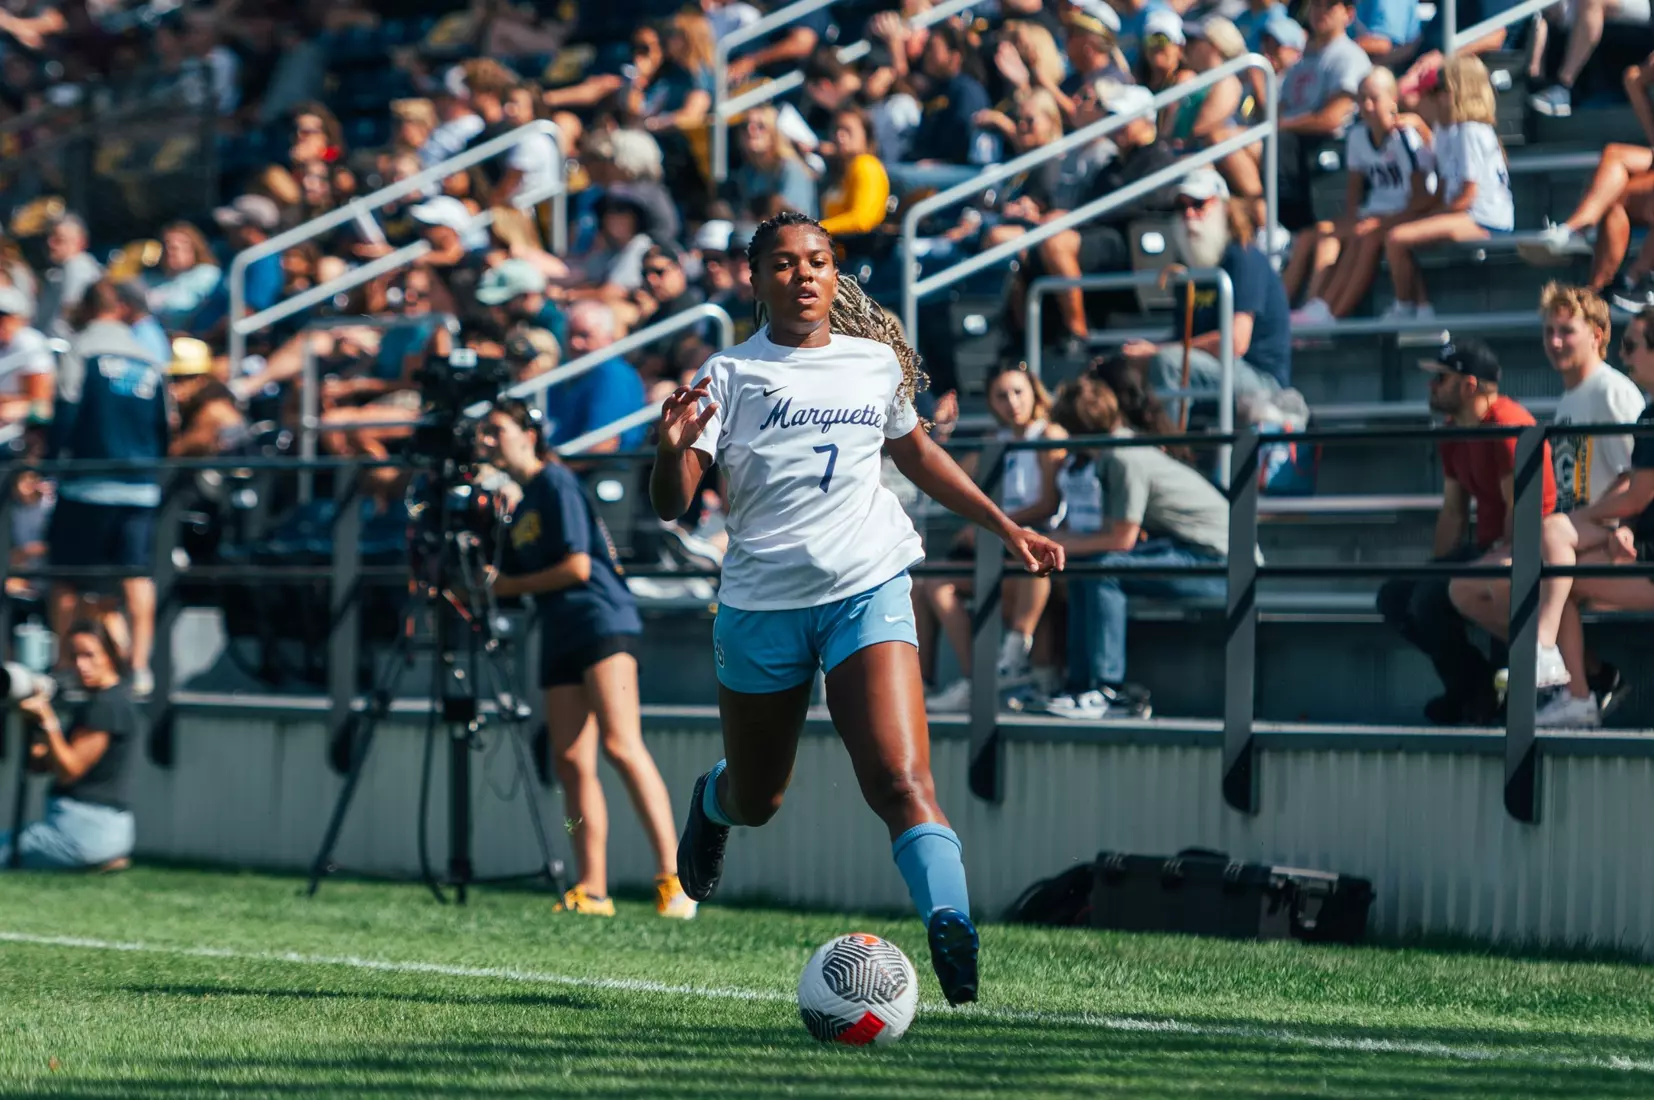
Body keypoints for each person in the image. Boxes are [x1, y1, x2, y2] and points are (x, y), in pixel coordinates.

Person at [650, 211, 1064, 1005]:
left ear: (835, 272)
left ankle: (951, 921)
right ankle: (712, 801)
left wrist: (1006, 525)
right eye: (783, 264)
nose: (803, 275)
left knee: (902, 779)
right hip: (762, 605)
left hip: (865, 588)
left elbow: (920, 455)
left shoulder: (874, 364)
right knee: (758, 800)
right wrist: (671, 453)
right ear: (756, 280)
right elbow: (673, 506)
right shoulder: (728, 374)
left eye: (818, 260)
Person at [480, 401, 695, 918]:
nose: (485, 441)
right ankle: (592, 888)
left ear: (530, 434)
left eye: (496, 431)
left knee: (622, 746)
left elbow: (578, 567)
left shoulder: (554, 483)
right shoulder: (522, 500)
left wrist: (507, 584)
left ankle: (674, 878)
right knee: (572, 762)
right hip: (557, 630)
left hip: (602, 622)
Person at [1451, 284, 1643, 706]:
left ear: (1596, 334)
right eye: (1548, 332)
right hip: (1573, 534)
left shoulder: (1612, 391)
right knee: (1465, 587)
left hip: (1603, 536)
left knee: (1523, 583)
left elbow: (1638, 479)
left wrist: (1609, 525)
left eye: (1566, 331)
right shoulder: (1572, 397)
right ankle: (1578, 678)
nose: (1555, 342)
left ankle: (1571, 682)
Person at [1379, 339, 1554, 726]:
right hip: (1485, 548)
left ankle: (1480, 692)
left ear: (1469, 385)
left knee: (1429, 598)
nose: (1431, 387)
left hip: (1527, 548)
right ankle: (1474, 685)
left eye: (1441, 378)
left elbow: (1521, 514)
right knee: (1397, 597)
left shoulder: (1507, 425)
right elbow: (1453, 512)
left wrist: (1485, 566)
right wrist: (1435, 569)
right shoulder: (1455, 429)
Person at [1043, 357, 1229, 719]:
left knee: (1101, 570)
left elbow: (1121, 539)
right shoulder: (1118, 451)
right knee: (1086, 566)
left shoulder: (1123, 458)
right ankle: (1080, 686)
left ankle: (1108, 690)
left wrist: (1054, 541)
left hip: (1220, 564)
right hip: (1187, 550)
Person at [1523, 306, 1654, 727]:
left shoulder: (1632, 404)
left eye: (1631, 346)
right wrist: (1628, 529)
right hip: (1641, 551)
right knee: (1555, 566)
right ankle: (1566, 682)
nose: (1625, 355)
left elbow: (1636, 493)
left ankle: (1563, 676)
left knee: (1556, 574)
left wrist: (1593, 518)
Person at [48, 280, 171, 700]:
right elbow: (164, 425)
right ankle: (139, 667)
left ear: (86, 308)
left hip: (88, 484)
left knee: (65, 580)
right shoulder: (150, 357)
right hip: (141, 486)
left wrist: (51, 464)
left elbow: (65, 413)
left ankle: (63, 665)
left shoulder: (81, 350)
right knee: (136, 576)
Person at [921, 361, 1066, 712]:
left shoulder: (1050, 436)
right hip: (999, 546)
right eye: (1001, 395)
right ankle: (975, 682)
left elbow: (1049, 503)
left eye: (1018, 392)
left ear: (1034, 394)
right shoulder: (992, 441)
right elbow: (948, 477)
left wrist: (997, 524)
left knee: (1031, 556)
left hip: (1039, 544)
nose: (1011, 402)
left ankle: (1011, 659)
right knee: (928, 582)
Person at [1124, 169, 1293, 399]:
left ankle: (1169, 434)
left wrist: (1156, 352)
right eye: (1181, 208)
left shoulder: (1244, 257)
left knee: (1168, 362)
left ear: (1224, 207)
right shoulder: (1189, 270)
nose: (1189, 215)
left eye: (1198, 204)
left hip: (1260, 380)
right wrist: (1138, 354)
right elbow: (1184, 340)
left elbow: (1235, 342)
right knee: (1122, 367)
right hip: (1210, 369)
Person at [1289, 67, 1434, 324]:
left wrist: (1379, 223)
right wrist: (1356, 218)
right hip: (1376, 211)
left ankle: (1332, 312)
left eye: (1374, 98)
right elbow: (1354, 191)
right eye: (1362, 98)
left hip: (1405, 212)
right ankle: (1314, 305)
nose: (1366, 105)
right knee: (1324, 231)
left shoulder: (1405, 137)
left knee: (1364, 236)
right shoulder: (1357, 136)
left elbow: (1422, 197)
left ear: (1393, 99)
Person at [1381, 56, 1513, 321]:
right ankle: (1422, 310)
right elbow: (1442, 190)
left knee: (1398, 238)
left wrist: (1431, 216)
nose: (1433, 96)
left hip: (1486, 219)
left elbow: (1466, 196)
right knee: (1399, 232)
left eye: (1440, 89)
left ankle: (1405, 307)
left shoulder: (1470, 130)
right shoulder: (1445, 129)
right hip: (1463, 213)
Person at [0, 620, 138, 871]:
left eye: (89, 655)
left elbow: (69, 770)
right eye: (74, 656)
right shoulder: (102, 702)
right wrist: (32, 724)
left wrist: (48, 721)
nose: (80, 665)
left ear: (110, 654)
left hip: (86, 831)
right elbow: (39, 766)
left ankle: (97, 856)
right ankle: (103, 857)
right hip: (96, 830)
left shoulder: (107, 706)